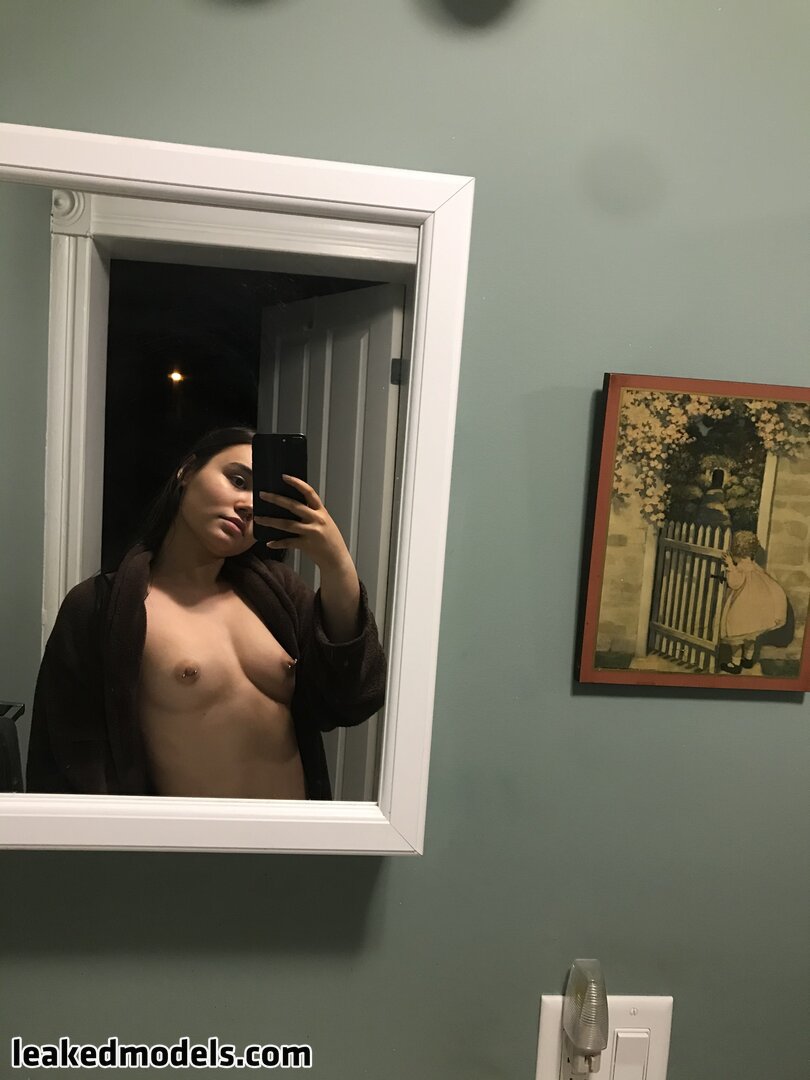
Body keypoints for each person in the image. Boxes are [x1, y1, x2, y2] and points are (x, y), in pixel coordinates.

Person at [26, 427, 386, 798]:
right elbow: (67, 757)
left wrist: (336, 562)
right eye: (237, 480)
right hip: (184, 835)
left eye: (260, 498)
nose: (248, 505)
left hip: (298, 831)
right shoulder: (102, 607)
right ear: (186, 471)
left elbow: (354, 695)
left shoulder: (278, 594)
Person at [719, 530, 787, 674]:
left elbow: (734, 583)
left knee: (736, 637)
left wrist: (730, 566)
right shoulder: (755, 567)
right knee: (750, 635)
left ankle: (735, 663)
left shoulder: (740, 568)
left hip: (741, 608)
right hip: (755, 609)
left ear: (737, 551)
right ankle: (748, 659)